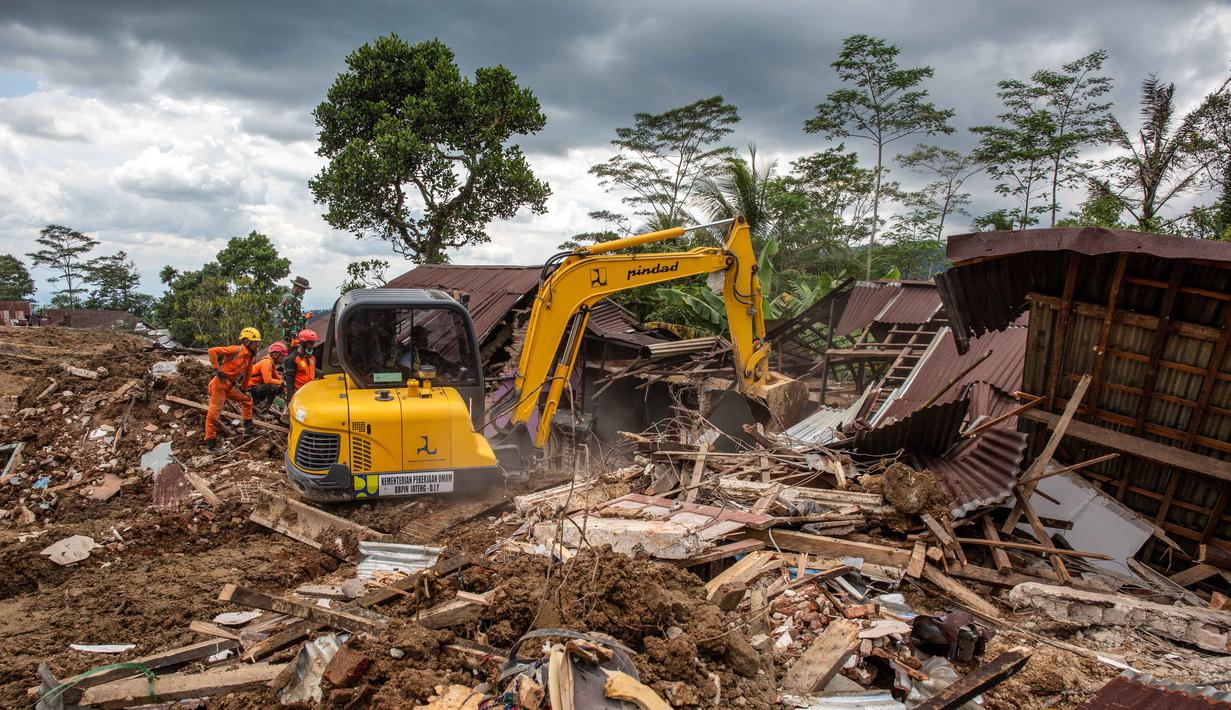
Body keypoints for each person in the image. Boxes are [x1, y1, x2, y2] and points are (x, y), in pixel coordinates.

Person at [204, 327, 261, 451]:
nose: (257, 346)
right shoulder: (236, 350)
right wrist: (215, 368)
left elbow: (248, 374)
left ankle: (249, 428)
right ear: (247, 341)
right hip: (219, 385)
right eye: (255, 343)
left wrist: (244, 388)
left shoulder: (249, 357)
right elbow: (212, 351)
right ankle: (211, 444)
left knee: (247, 400)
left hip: (229, 386)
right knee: (213, 416)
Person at [248, 341, 288, 411]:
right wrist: (280, 382)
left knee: (279, 386)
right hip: (250, 388)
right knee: (273, 387)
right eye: (283, 356)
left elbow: (279, 378)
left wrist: (284, 386)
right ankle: (264, 409)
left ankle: (259, 402)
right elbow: (268, 380)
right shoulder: (267, 363)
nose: (283, 359)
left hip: (257, 387)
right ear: (275, 354)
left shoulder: (271, 363)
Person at [283, 328, 319, 401]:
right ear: (303, 343)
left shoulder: (312, 357)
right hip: (300, 394)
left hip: (311, 392)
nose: (312, 346)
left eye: (313, 343)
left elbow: (311, 370)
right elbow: (289, 380)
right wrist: (291, 397)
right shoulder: (292, 359)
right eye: (310, 343)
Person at [280, 276, 310, 346]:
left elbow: (297, 319)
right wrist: (294, 337)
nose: (303, 291)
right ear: (296, 287)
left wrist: (305, 317)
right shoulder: (289, 300)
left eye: (304, 289)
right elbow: (290, 321)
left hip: (298, 334)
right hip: (292, 336)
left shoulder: (296, 300)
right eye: (302, 289)